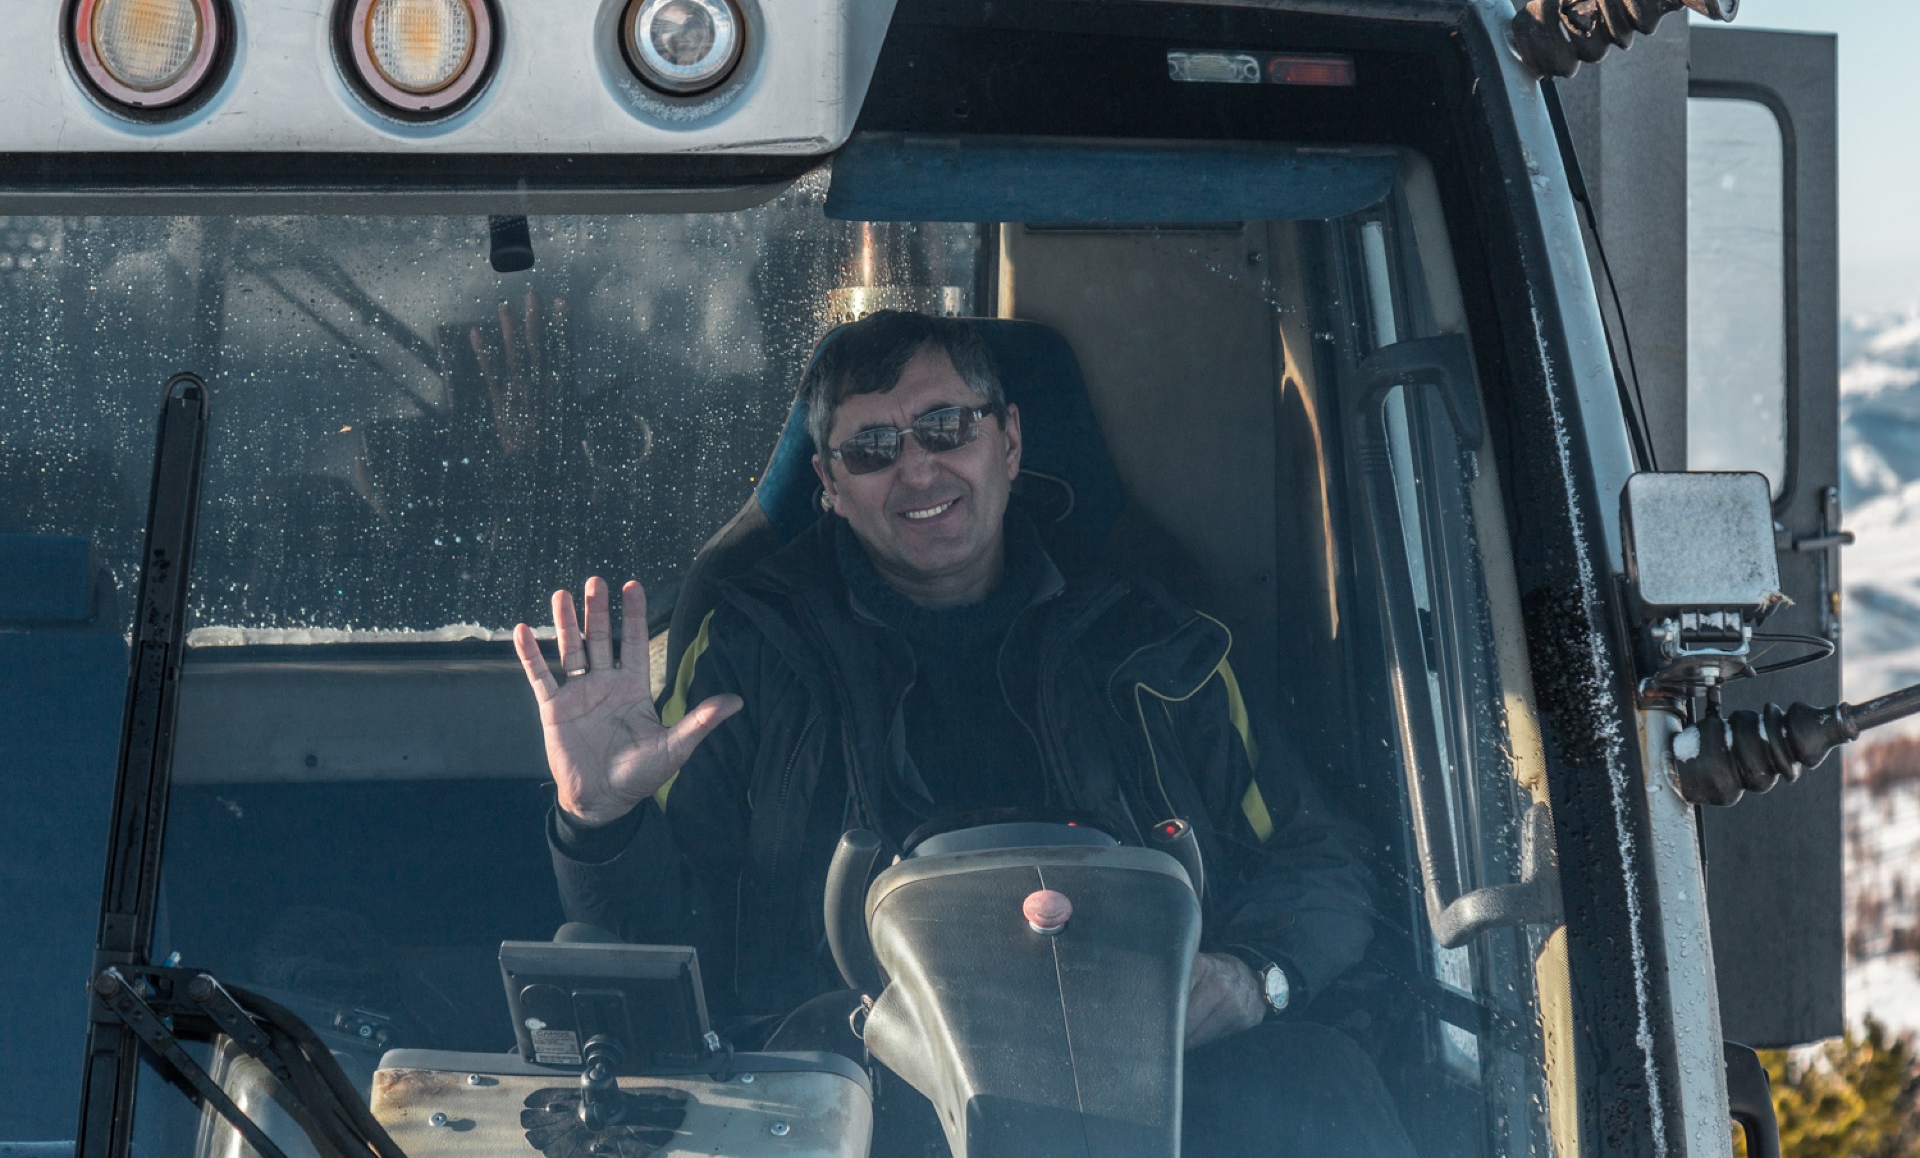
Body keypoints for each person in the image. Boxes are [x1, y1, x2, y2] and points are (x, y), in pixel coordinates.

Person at [512, 310, 1414, 1156]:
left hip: (1159, 1069)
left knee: (1319, 1082)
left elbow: (1321, 858)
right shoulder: (754, 652)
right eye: (871, 449)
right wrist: (601, 821)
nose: (916, 470)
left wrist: (1251, 978)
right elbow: (660, 952)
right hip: (859, 1083)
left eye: (945, 428)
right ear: (827, 486)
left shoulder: (1157, 645)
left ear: (1009, 442)